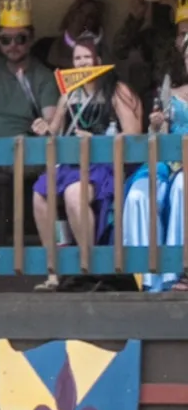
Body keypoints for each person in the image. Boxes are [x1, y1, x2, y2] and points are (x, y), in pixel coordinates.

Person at [30, 37, 142, 290]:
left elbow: (134, 133)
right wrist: (43, 129)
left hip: (103, 164)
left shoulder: (117, 90)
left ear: (99, 61)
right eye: (77, 58)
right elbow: (54, 133)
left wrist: (98, 141)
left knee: (73, 194)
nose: (80, 63)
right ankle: (53, 270)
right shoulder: (69, 94)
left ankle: (88, 267)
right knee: (39, 194)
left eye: (86, 57)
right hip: (71, 163)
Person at [0, 0, 60, 246]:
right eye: (6, 40)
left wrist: (44, 126)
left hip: (24, 150)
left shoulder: (43, 76)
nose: (13, 45)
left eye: (21, 38)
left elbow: (52, 120)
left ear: (31, 39)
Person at [121, 32, 188, 292]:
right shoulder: (172, 92)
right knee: (139, 195)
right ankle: (149, 280)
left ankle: (179, 271)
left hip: (185, 171)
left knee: (184, 185)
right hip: (167, 163)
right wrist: (155, 125)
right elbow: (158, 139)